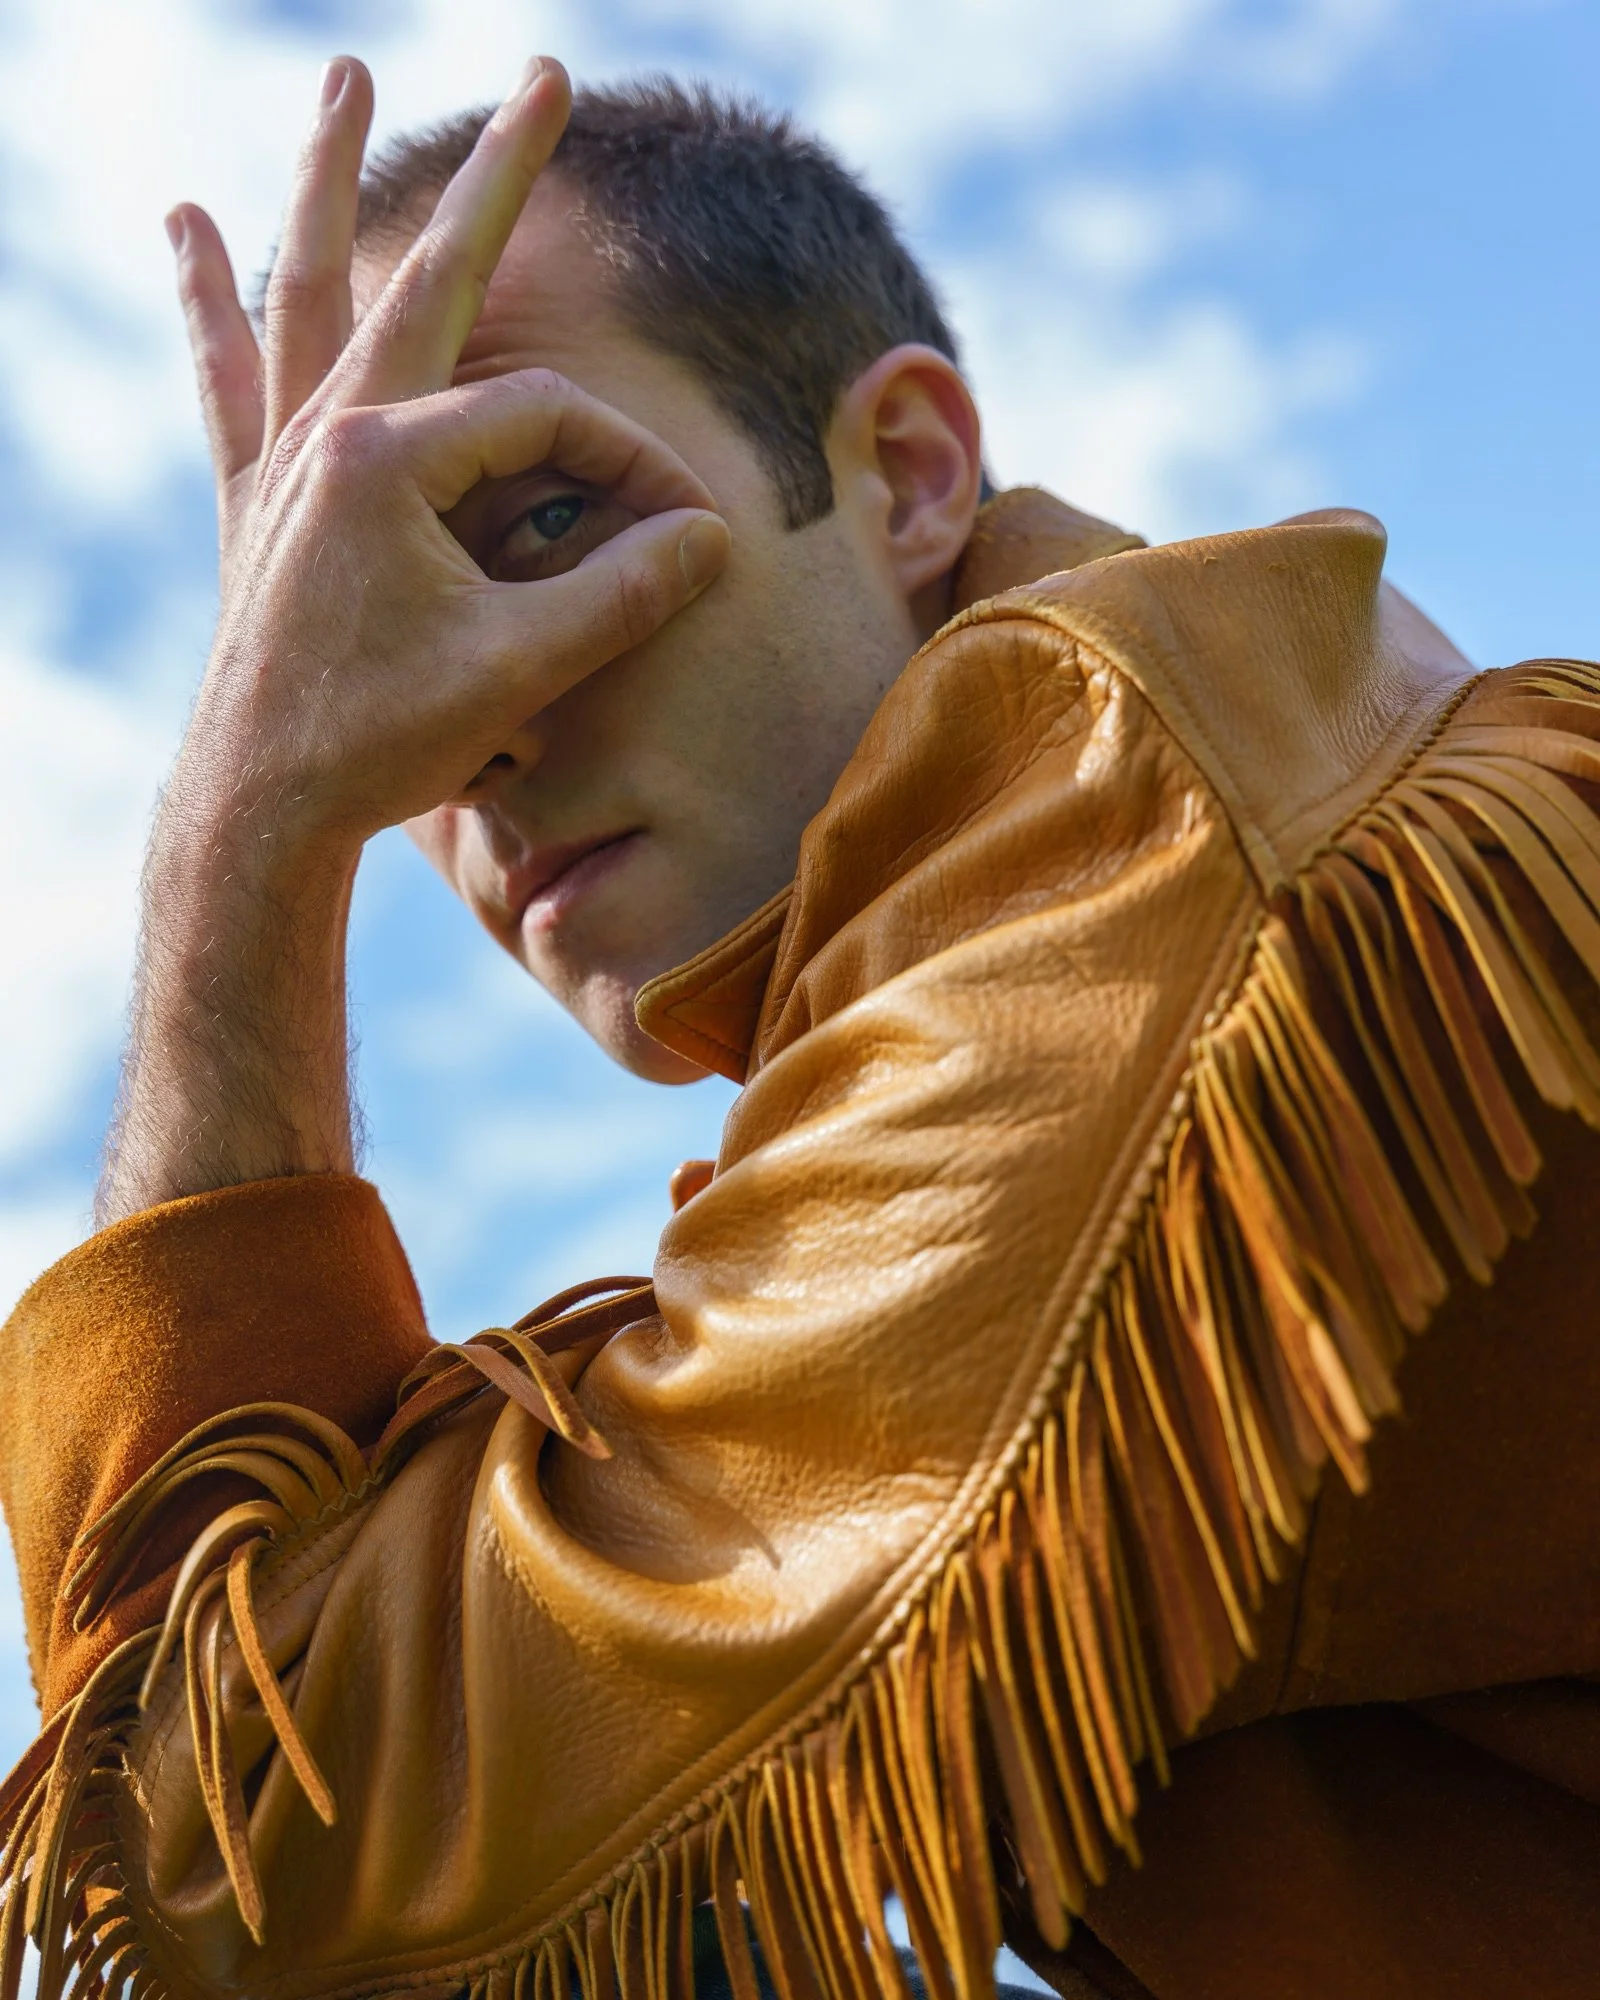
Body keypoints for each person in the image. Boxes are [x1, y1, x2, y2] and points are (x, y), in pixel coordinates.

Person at [3, 50, 1600, 2000]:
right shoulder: (1134, 839)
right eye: (340, 618)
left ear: (907, 473)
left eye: (536, 516)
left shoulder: (1140, 872)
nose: (442, 727)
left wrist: (244, 828)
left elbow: (238, 1865)